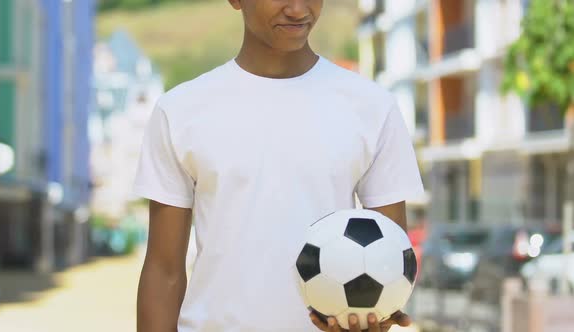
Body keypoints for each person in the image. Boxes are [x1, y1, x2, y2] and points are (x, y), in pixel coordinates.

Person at [133, 1, 424, 331]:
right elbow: (163, 270)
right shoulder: (181, 111)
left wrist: (377, 318)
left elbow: (390, 261)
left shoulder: (372, 107)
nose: (298, 10)